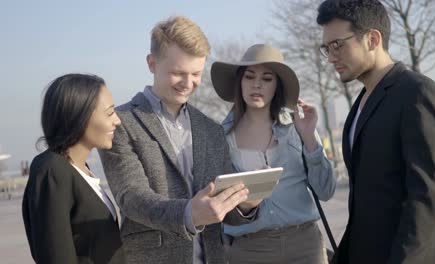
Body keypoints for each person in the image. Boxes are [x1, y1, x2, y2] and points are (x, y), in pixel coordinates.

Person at [98, 16, 250, 264]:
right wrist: (190, 214)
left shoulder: (211, 130)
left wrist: (245, 204)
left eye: (196, 74)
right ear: (151, 64)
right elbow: (132, 198)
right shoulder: (121, 123)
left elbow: (225, 210)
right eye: (178, 73)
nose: (188, 84)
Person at [316, 0, 435, 263]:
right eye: (326, 48)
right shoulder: (361, 103)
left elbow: (425, 198)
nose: (331, 56)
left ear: (372, 39)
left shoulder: (417, 92)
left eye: (338, 45)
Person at [211, 43, 336, 264]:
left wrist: (309, 138)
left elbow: (326, 190)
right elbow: (217, 204)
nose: (257, 84)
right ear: (239, 81)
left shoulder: (298, 127)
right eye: (249, 77)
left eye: (267, 79)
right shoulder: (219, 138)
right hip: (248, 250)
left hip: (305, 245)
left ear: (277, 86)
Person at [22, 74, 125, 263]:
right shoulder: (52, 170)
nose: (117, 120)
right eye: (110, 113)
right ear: (80, 115)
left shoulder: (80, 170)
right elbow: (55, 254)